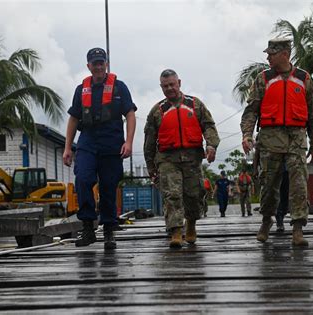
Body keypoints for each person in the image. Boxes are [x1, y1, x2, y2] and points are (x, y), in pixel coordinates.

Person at [240, 38, 313, 247]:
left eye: (271, 54)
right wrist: (247, 135)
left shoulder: (304, 79)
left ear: (284, 54)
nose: (267, 57)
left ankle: (298, 229)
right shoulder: (263, 79)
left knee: (299, 184)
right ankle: (266, 221)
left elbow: (312, 114)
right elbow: (251, 111)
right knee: (269, 184)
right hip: (270, 138)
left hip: (296, 138)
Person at [63, 47, 136, 250]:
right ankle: (87, 227)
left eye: (101, 62)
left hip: (111, 141)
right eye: (94, 63)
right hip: (87, 140)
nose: (98, 66)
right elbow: (74, 118)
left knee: (108, 186)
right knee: (83, 179)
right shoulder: (81, 89)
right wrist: (68, 148)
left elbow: (130, 114)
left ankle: (109, 230)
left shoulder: (119, 88)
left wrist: (128, 142)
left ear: (106, 64)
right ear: (88, 66)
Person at [143, 69, 220, 248]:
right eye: (165, 86)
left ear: (179, 83)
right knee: (173, 194)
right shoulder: (157, 111)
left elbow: (209, 126)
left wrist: (211, 145)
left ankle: (191, 224)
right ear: (161, 87)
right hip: (167, 158)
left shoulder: (195, 105)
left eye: (172, 84)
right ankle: (176, 231)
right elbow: (149, 141)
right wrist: (150, 166)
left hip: (192, 158)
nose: (169, 88)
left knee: (193, 194)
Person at [275, 165, 289, 232]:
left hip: (289, 171)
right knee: (277, 196)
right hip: (276, 170)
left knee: (285, 197)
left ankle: (282, 216)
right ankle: (279, 221)